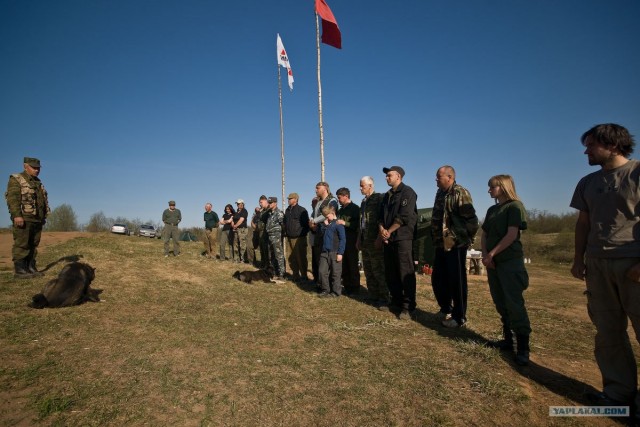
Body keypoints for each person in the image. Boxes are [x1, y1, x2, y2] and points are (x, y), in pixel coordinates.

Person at [570, 123, 640, 414]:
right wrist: (578, 258)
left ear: (612, 144)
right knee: (608, 333)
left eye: (591, 145)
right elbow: (583, 223)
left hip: (632, 263)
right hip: (598, 265)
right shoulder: (587, 182)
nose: (585, 150)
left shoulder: (637, 174)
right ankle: (617, 394)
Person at [481, 175, 531, 366]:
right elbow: (484, 234)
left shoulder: (515, 207)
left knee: (514, 303)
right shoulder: (492, 209)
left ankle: (523, 347)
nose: (489, 191)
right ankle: (509, 340)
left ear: (502, 187)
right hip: (493, 263)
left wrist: (492, 254)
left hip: (510, 262)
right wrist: (486, 254)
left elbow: (512, 235)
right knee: (500, 301)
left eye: (492, 187)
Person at [431, 165, 479, 328]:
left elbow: (472, 221)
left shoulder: (459, 192)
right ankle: (446, 308)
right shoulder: (440, 193)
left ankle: (460, 316)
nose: (436, 179)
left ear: (449, 177)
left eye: (439, 176)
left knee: (457, 281)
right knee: (438, 279)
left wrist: (461, 240)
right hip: (440, 244)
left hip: (456, 245)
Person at [379, 166, 418, 320]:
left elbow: (405, 216)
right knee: (391, 272)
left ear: (399, 176)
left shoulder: (408, 192)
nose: (386, 178)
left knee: (404, 272)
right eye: (386, 176)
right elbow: (380, 217)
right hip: (388, 238)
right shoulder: (386, 195)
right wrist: (382, 229)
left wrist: (390, 230)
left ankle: (408, 306)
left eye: (389, 175)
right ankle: (396, 300)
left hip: (403, 238)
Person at [5, 157, 50, 278]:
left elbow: (42, 202)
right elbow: (13, 199)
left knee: (33, 244)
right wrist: (17, 216)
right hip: (24, 217)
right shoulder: (16, 179)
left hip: (37, 219)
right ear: (25, 166)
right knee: (22, 244)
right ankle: (20, 270)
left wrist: (43, 217)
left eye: (38, 168)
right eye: (34, 168)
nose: (37, 170)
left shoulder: (38, 182)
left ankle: (30, 267)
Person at [358, 176, 389, 310]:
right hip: (365, 241)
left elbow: (382, 220)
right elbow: (361, 222)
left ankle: (384, 298)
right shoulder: (364, 202)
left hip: (375, 240)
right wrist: (359, 239)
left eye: (362, 186)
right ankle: (373, 295)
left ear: (370, 186)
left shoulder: (379, 198)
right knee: (369, 269)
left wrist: (379, 238)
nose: (360, 188)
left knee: (379, 270)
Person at [309, 182, 339, 288]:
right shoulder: (319, 202)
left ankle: (330, 286)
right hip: (318, 234)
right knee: (319, 260)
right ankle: (321, 283)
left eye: (318, 188)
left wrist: (314, 221)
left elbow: (328, 213)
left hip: (329, 235)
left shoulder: (332, 200)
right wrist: (312, 222)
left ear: (325, 188)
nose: (316, 190)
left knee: (328, 262)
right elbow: (313, 214)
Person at [336, 187, 361, 295]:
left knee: (352, 264)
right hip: (342, 241)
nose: (338, 200)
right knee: (344, 264)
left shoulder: (355, 209)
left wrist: (344, 223)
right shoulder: (341, 210)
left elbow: (357, 225)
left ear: (346, 196)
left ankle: (355, 288)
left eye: (339, 197)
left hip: (351, 240)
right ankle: (346, 286)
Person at [318, 205, 346, 298]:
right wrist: (325, 226)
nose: (326, 218)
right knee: (322, 271)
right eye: (325, 216)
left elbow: (343, 239)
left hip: (335, 252)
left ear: (333, 213)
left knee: (335, 273)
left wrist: (340, 253)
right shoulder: (325, 224)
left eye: (327, 216)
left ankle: (336, 292)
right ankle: (325, 289)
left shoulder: (338, 224)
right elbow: (322, 235)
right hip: (324, 251)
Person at [284, 193, 310, 282]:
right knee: (292, 258)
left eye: (290, 199)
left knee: (301, 257)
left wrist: (300, 235)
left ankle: (304, 276)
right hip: (289, 238)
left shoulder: (302, 210)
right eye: (288, 199)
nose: (289, 200)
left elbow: (306, 225)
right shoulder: (287, 210)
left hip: (299, 238)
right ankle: (295, 276)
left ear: (296, 199)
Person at [265, 196, 286, 278]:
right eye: (268, 203)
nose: (269, 204)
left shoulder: (279, 213)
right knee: (272, 255)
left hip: (276, 236)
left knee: (279, 255)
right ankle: (273, 271)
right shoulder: (270, 213)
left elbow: (283, 225)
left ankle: (282, 273)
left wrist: (281, 235)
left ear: (275, 203)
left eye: (271, 203)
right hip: (270, 236)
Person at [231, 199, 249, 263]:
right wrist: (233, 225)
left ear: (242, 204)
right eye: (237, 204)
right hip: (236, 230)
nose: (238, 205)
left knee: (242, 245)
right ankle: (236, 259)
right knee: (235, 244)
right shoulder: (236, 212)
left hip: (242, 229)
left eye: (239, 204)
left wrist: (235, 226)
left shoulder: (244, 211)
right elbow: (233, 219)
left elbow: (241, 220)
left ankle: (243, 259)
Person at [256, 195, 270, 268]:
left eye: (261, 202)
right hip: (260, 233)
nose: (260, 204)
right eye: (259, 202)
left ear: (265, 201)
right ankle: (263, 265)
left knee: (267, 251)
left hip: (266, 233)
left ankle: (268, 266)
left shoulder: (269, 210)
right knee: (262, 250)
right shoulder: (262, 211)